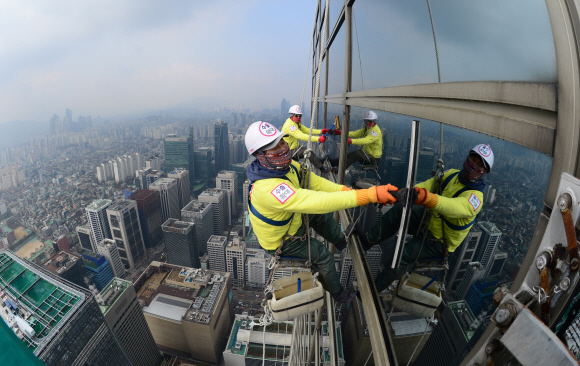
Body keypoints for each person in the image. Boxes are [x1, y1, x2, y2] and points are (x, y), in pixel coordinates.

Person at [245, 121, 397, 303]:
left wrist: (346, 192)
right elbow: (315, 201)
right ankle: (338, 294)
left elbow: (316, 183)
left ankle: (341, 242)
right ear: (260, 155)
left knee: (320, 217)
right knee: (323, 255)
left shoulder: (287, 167)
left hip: (290, 222)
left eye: (282, 142)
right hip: (280, 241)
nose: (282, 148)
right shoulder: (269, 189)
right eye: (273, 148)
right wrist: (368, 195)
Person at [357, 144, 493, 293]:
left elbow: (453, 207)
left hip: (439, 243)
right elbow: (428, 185)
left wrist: (427, 198)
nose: (474, 165)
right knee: (400, 210)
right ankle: (368, 240)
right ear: (467, 158)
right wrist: (406, 193)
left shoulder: (475, 199)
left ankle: (372, 291)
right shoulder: (453, 175)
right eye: (473, 160)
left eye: (479, 165)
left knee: (402, 256)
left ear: (484, 172)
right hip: (427, 221)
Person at [282, 105, 341, 172]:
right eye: (296, 115)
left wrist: (322, 131)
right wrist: (318, 139)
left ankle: (319, 161)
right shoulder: (290, 125)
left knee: (309, 152)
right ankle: (321, 168)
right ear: (291, 115)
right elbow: (301, 135)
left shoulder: (296, 123)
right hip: (289, 151)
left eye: (300, 116)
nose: (298, 117)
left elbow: (307, 130)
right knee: (307, 151)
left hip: (294, 148)